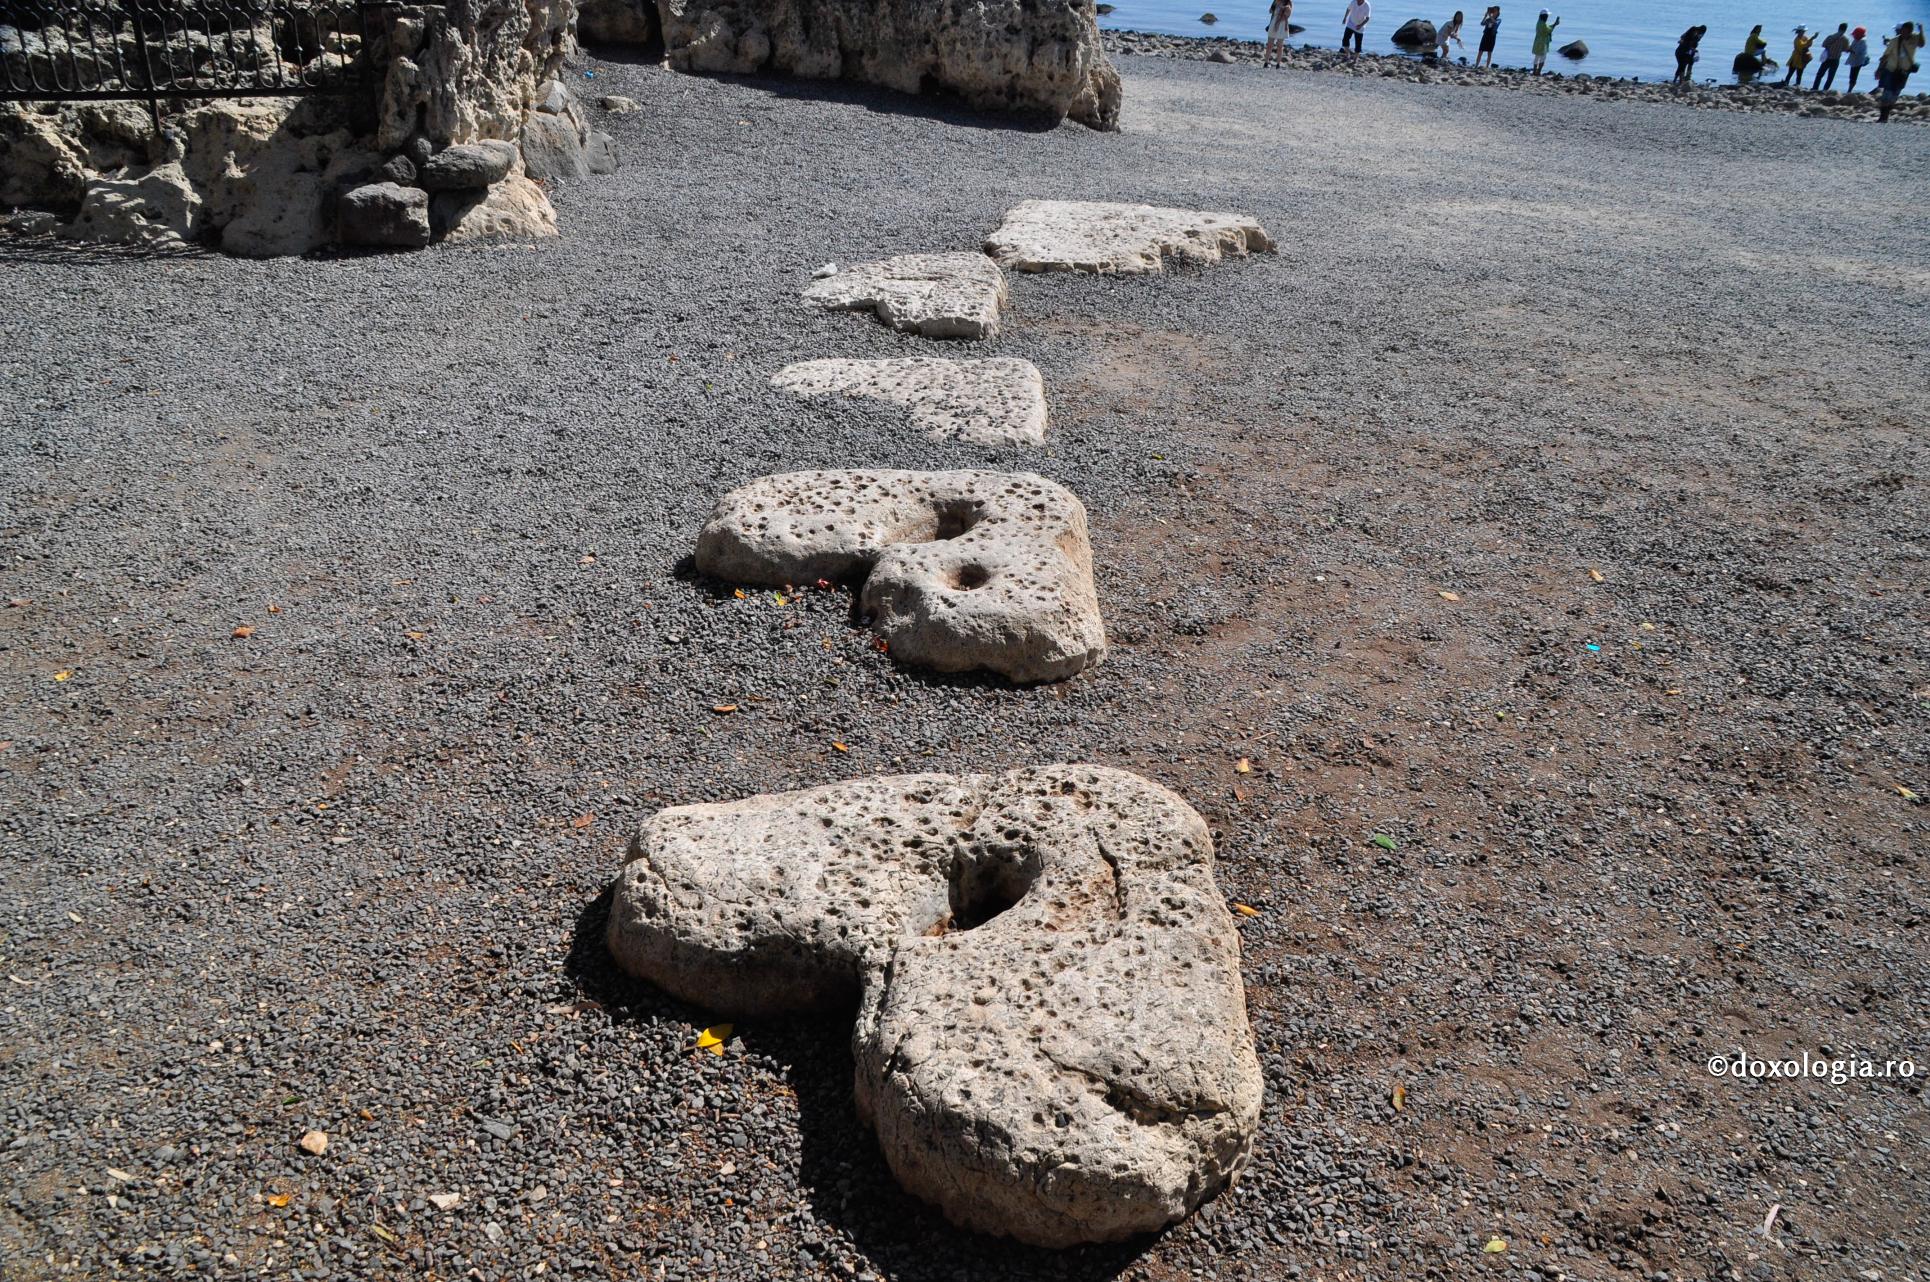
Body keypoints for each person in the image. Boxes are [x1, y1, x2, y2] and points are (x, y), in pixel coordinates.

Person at [1875, 21, 1925, 121]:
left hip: (1904, 72)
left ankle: (1886, 115)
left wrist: (1921, 30)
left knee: (1894, 95)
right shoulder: (1894, 41)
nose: (1903, 33)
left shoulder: (1915, 38)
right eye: (1902, 30)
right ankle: (1882, 117)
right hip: (1891, 70)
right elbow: (1885, 56)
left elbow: (1922, 44)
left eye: (1906, 31)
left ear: (1911, 31)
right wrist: (1879, 69)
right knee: (1886, 94)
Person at [1813, 22, 1850, 89]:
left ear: (1839, 28)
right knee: (1830, 77)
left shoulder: (1831, 36)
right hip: (1836, 59)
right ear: (1845, 30)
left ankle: (1815, 88)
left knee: (1820, 74)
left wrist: (1829, 47)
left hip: (1827, 58)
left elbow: (1823, 44)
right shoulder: (1845, 39)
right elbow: (1846, 49)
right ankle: (1825, 90)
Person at [1264, 0, 1294, 66]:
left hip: (1282, 25)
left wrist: (1285, 8)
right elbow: (1270, 11)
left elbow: (1288, 15)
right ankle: (1266, 62)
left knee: (1280, 45)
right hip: (1273, 23)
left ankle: (1278, 64)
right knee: (1269, 44)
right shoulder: (1275, 1)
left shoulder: (1288, 2)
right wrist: (1275, 5)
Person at [1531, 10, 1559, 74]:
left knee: (1537, 57)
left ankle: (1535, 71)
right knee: (1542, 58)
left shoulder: (1539, 22)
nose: (1547, 17)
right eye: (1547, 16)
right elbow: (1549, 30)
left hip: (1537, 42)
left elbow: (1548, 27)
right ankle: (1538, 72)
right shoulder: (1543, 24)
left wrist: (1554, 24)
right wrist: (1555, 24)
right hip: (1543, 44)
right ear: (1544, 16)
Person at [1846, 25, 1871, 90]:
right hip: (1854, 60)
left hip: (1858, 61)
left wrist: (1849, 50)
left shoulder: (1862, 42)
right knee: (1852, 75)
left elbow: (1856, 52)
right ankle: (1849, 89)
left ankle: (1850, 90)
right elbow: (1852, 48)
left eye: (1855, 35)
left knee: (1853, 76)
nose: (1853, 36)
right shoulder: (1856, 40)